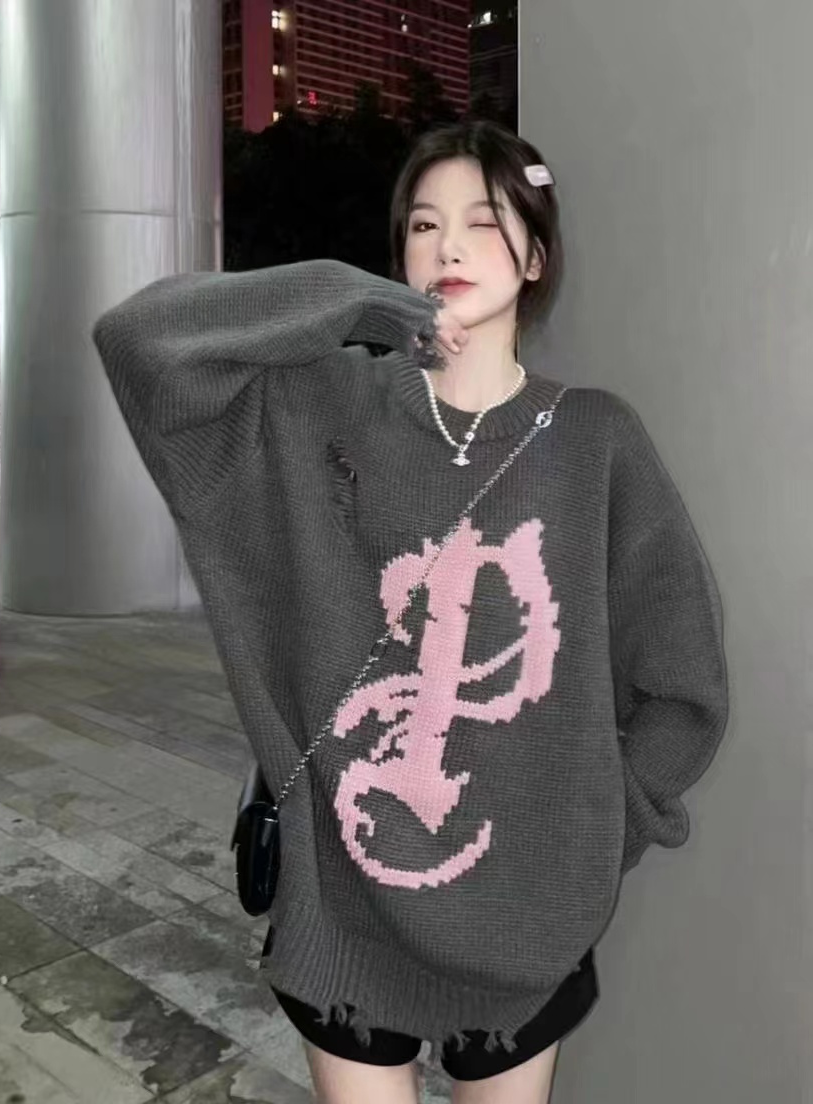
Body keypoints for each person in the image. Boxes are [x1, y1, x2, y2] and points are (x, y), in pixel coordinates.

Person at [93, 120, 728, 1104]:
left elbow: (683, 685)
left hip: (525, 925)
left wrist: (594, 836)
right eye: (424, 225)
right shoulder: (324, 409)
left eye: (485, 220)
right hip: (344, 910)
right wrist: (359, 303)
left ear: (536, 255)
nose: (450, 246)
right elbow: (140, 339)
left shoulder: (595, 441)